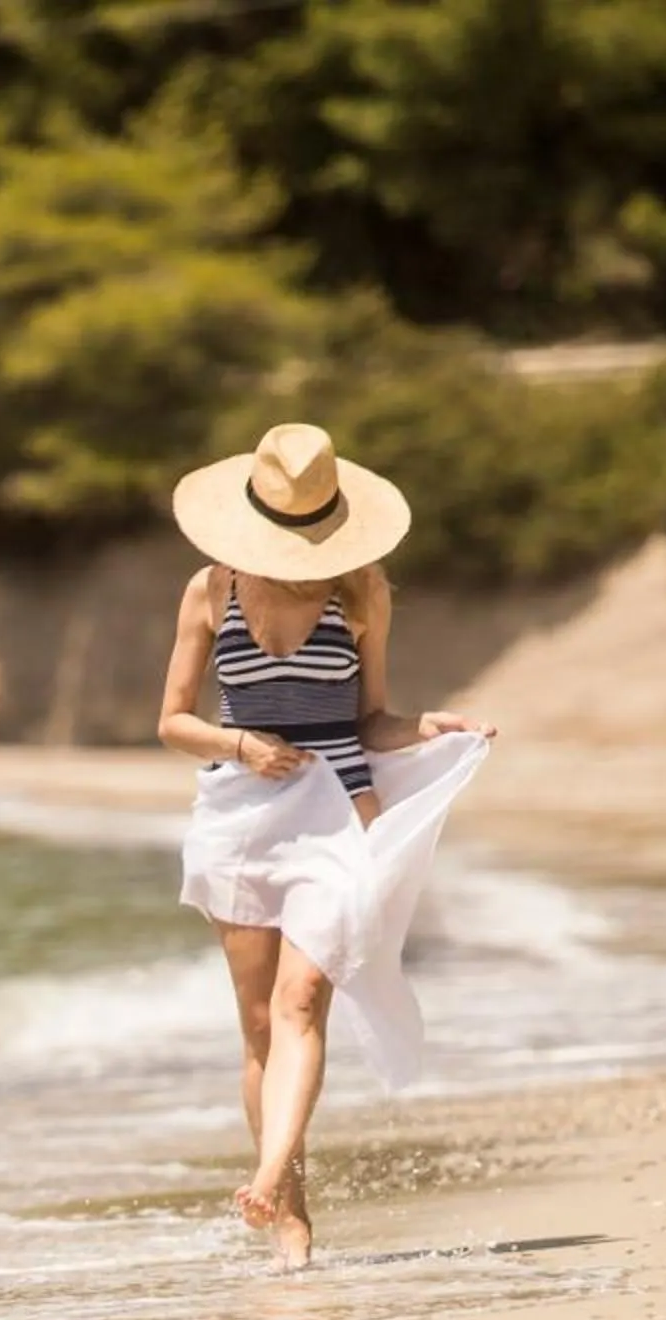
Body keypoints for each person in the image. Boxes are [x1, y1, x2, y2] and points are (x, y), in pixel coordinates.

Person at [158, 421, 496, 1267]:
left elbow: (370, 720)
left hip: (343, 813)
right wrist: (243, 745)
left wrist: (431, 727)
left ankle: (269, 1178)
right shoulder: (210, 590)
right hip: (240, 818)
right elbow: (173, 722)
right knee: (259, 1030)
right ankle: (291, 1216)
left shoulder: (361, 593)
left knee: (302, 1000)